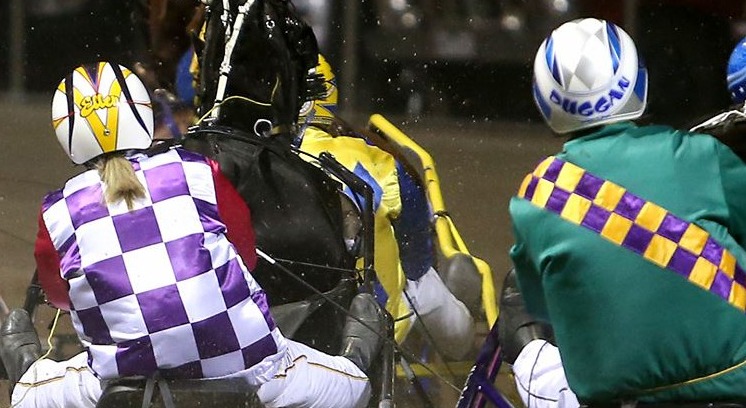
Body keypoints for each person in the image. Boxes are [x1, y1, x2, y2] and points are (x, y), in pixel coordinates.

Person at [0, 61, 384, 408]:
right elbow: (245, 256)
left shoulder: (57, 210)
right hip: (251, 370)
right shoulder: (198, 170)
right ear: (143, 113)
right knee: (352, 386)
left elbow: (60, 297)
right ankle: (356, 354)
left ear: (66, 134)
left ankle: (24, 363)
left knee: (29, 396)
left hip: (121, 382)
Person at [504, 17, 746, 407]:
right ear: (638, 81)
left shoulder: (535, 196)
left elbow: (545, 308)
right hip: (737, 389)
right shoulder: (701, 155)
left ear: (544, 99)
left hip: (621, 400)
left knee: (518, 317)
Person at [295, 54, 479, 359]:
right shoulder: (376, 160)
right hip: (378, 325)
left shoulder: (250, 163)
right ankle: (466, 345)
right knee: (421, 282)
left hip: (288, 330)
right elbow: (417, 258)